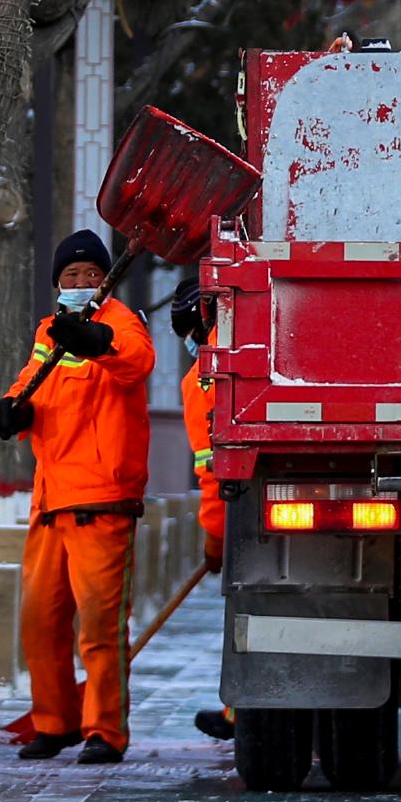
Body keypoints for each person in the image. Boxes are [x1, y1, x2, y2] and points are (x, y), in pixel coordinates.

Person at [0, 229, 155, 765]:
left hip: (102, 497)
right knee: (41, 622)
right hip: (50, 498)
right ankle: (54, 722)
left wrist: (98, 344)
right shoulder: (50, 331)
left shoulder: (120, 324)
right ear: (58, 284)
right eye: (70, 276)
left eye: (90, 275)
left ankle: (105, 730)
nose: (81, 282)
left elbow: (136, 361)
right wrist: (14, 409)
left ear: (106, 280)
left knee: (101, 629)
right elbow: (32, 382)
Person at [172, 281, 234, 745]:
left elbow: (211, 470)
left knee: (251, 610)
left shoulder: (203, 379)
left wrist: (215, 539)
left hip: (243, 513)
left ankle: (241, 711)